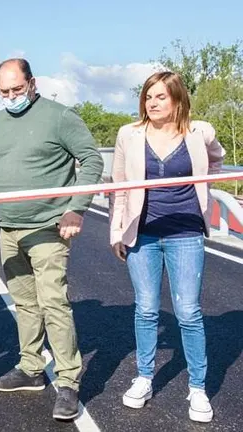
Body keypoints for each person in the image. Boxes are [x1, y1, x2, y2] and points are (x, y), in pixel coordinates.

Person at [0, 58, 103, 421]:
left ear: (32, 83)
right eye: (4, 92)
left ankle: (68, 381)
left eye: (17, 90)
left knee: (54, 302)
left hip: (49, 227)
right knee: (24, 302)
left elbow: (92, 160)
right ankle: (31, 368)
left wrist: (76, 208)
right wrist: (3, 208)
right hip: (9, 228)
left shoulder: (59, 117)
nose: (11, 97)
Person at [109, 71, 223, 423]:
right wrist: (117, 231)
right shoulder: (129, 135)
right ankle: (143, 377)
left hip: (184, 232)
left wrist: (204, 195)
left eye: (160, 96)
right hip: (141, 233)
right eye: (147, 97)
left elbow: (216, 162)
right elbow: (118, 184)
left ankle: (198, 387)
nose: (152, 103)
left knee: (188, 311)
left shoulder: (199, 132)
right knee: (146, 309)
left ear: (177, 100)